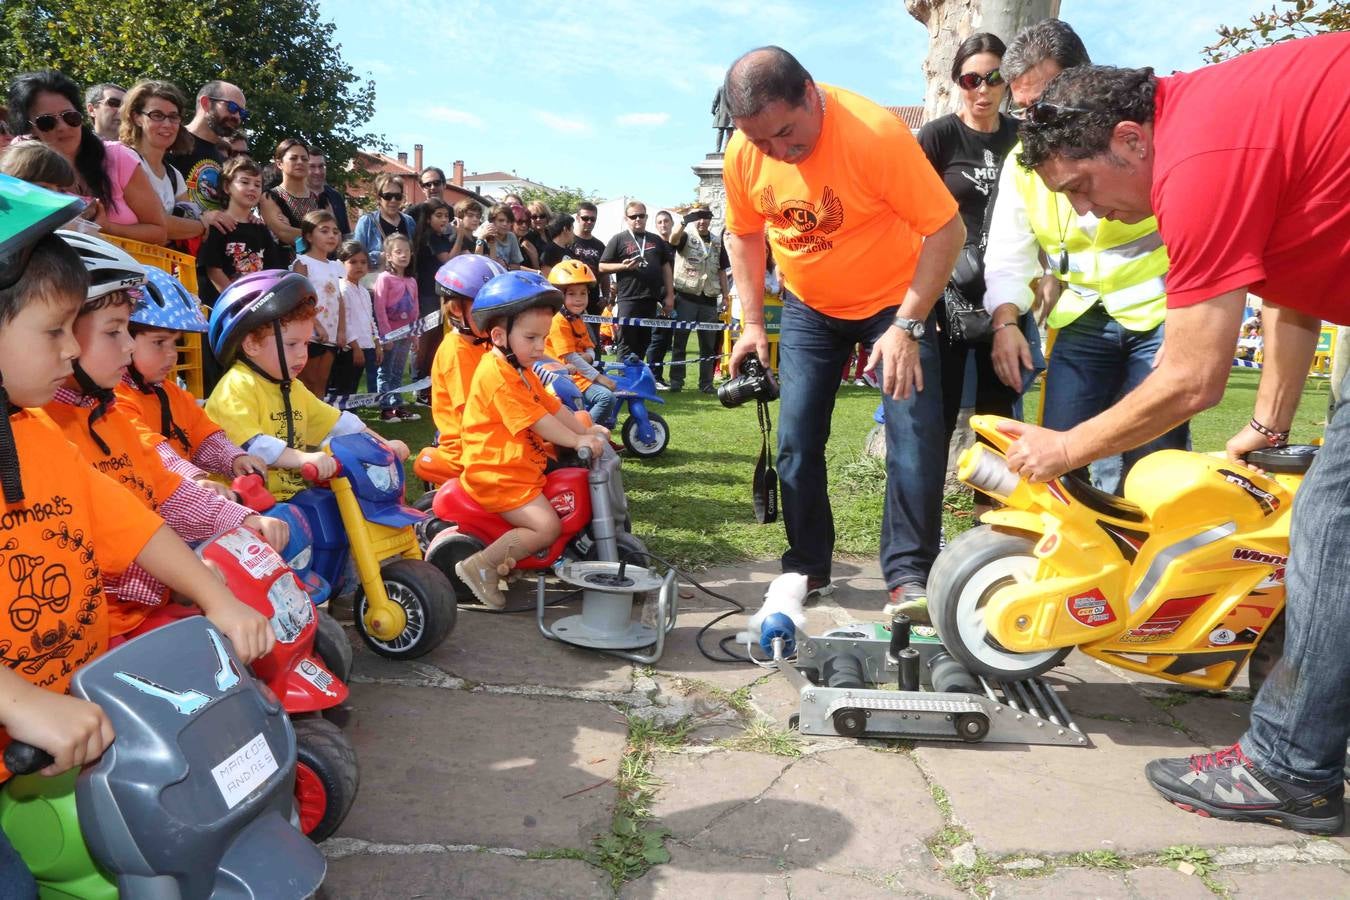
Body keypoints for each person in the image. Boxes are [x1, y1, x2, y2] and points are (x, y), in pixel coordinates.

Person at [1007, 33, 1350, 833]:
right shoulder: (1213, 119)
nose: (1089, 211)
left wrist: (1064, 447)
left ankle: (1290, 769)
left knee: (1333, 531)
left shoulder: (1198, 161)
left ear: (1130, 139)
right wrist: (1269, 422)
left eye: (1085, 188)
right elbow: (1293, 288)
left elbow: (1192, 375)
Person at [0, 186, 272, 883]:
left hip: (63, 727)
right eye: (55, 330)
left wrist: (217, 597)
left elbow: (138, 528)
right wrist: (21, 701)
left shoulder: (36, 436)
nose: (72, 350)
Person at [721, 46, 964, 610]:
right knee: (795, 441)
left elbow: (945, 230)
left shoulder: (874, 134)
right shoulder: (743, 151)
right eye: (763, 143)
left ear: (810, 92)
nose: (780, 152)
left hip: (894, 306)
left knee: (914, 439)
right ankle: (808, 565)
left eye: (788, 133)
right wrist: (752, 323)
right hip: (810, 307)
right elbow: (745, 234)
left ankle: (908, 576)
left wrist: (907, 323)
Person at [42, 231, 284, 643]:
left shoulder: (107, 412)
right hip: (95, 631)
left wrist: (241, 520)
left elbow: (165, 486)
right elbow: (85, 542)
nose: (127, 349)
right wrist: (184, 574)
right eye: (115, 333)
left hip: (144, 611)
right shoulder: (50, 426)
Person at [983, 19, 1184, 496]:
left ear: (1082, 82)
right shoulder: (1021, 164)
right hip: (1080, 319)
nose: (1033, 126)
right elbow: (1009, 251)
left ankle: (1149, 565)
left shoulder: (1135, 143)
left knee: (1151, 461)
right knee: (1054, 454)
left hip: (1161, 315)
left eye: (1044, 107)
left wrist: (1186, 318)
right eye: (1023, 110)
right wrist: (1006, 321)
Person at [916, 33, 1021, 527]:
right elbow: (913, 216)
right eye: (971, 79)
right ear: (957, 82)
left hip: (1006, 292)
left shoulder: (1021, 137)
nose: (983, 89)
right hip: (948, 293)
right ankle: (924, 529)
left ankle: (990, 524)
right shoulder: (937, 136)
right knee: (936, 418)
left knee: (999, 418)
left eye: (994, 77)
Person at [452, 272, 607, 608]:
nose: (540, 347)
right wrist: (577, 440)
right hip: (496, 473)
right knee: (546, 526)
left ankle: (520, 560)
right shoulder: (497, 376)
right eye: (532, 338)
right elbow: (541, 423)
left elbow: (552, 407)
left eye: (544, 338)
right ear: (499, 335)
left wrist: (586, 431)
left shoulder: (520, 369)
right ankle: (481, 566)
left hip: (518, 466)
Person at [205, 269, 410, 500]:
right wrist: (304, 458)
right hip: (244, 505)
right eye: (292, 344)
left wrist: (384, 446)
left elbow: (340, 423)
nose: (302, 355)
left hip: (293, 497)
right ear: (251, 344)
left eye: (305, 343)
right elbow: (253, 444)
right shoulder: (235, 388)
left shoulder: (293, 388)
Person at [116, 267, 267, 489]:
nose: (172, 354)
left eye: (175, 343)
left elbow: (204, 436)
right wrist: (196, 479)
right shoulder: (117, 399)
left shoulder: (172, 392)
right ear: (123, 339)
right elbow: (151, 450)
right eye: (159, 342)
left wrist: (234, 459)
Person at [8, 69, 167, 245]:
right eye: (47, 122)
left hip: (130, 268)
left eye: (70, 117)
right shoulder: (19, 171)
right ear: (30, 128)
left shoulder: (118, 157)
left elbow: (159, 232)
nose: (62, 127)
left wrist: (107, 228)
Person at [414, 254, 508, 486]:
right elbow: (473, 412)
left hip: (490, 436)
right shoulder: (456, 352)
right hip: (469, 447)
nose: (495, 317)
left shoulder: (487, 342)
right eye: (485, 308)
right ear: (457, 309)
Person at [118, 80, 211, 245]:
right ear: (136, 117)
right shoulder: (124, 158)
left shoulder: (174, 175)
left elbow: (189, 217)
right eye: (157, 115)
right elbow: (162, 225)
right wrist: (202, 226)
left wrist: (197, 223)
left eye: (173, 117)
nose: (167, 124)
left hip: (159, 266)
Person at [197, 155, 286, 307]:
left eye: (258, 184)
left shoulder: (261, 230)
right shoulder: (217, 225)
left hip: (256, 307)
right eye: (244, 182)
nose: (252, 188)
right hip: (224, 308)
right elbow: (213, 270)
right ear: (226, 187)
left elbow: (271, 272)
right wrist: (237, 301)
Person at [599, 200, 674, 363]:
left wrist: (670, 295)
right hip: (628, 299)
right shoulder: (618, 239)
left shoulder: (656, 240)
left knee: (643, 342)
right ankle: (623, 383)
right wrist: (623, 266)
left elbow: (666, 268)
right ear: (626, 219)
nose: (637, 219)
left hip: (650, 299)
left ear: (646, 217)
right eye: (633, 216)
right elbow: (602, 266)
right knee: (626, 343)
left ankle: (637, 383)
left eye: (641, 216)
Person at [546, 260, 618, 425]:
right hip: (562, 378)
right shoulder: (558, 321)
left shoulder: (578, 318)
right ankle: (582, 433)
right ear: (559, 295)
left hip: (578, 374)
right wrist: (599, 377)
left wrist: (589, 357)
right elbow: (571, 357)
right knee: (606, 398)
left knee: (611, 391)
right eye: (571, 294)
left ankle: (600, 433)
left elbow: (590, 348)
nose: (578, 299)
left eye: (583, 293)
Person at [668, 206, 729, 394]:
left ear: (711, 219)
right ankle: (677, 381)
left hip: (709, 298)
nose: (702, 221)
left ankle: (706, 383)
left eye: (706, 217)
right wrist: (683, 221)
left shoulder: (717, 242)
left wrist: (725, 296)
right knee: (680, 343)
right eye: (698, 218)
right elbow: (673, 240)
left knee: (708, 345)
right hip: (686, 296)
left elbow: (721, 271)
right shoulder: (686, 235)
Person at [167, 80, 248, 218]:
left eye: (242, 113)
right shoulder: (170, 140)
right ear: (206, 103)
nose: (237, 117)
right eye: (232, 107)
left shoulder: (225, 161)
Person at [291, 210, 347, 398]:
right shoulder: (302, 262)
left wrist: (341, 330)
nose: (331, 235)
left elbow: (339, 299)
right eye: (324, 231)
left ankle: (319, 424)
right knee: (307, 381)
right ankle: (303, 423)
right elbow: (301, 298)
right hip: (310, 333)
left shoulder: (335, 266)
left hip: (330, 335)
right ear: (309, 235)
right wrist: (318, 325)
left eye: (335, 231)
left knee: (322, 381)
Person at [371, 233, 420, 422]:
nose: (403, 255)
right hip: (390, 335)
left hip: (407, 334)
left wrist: (415, 334)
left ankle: (398, 406)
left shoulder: (412, 281)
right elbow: (379, 308)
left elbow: (415, 308)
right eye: (398, 251)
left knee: (399, 371)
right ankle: (385, 408)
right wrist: (386, 336)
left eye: (407, 251)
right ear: (389, 255)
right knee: (386, 371)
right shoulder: (384, 279)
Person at [260, 138, 330, 267]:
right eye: (293, 158)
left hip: (322, 270)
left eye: (304, 159)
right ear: (279, 163)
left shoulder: (321, 199)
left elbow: (334, 235)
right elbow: (284, 234)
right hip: (286, 272)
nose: (300, 162)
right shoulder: (270, 197)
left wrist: (302, 234)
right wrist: (322, 234)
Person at [412, 198, 456, 394]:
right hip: (427, 295)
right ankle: (418, 383)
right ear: (428, 218)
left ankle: (429, 384)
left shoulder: (442, 238)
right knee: (426, 340)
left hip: (439, 295)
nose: (444, 220)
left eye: (446, 216)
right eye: (439, 215)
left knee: (437, 341)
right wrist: (461, 234)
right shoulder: (430, 238)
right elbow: (448, 261)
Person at [330, 239, 381, 396]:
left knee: (353, 386)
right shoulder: (342, 289)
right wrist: (355, 348)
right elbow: (344, 322)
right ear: (341, 264)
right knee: (343, 387)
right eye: (353, 262)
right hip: (349, 349)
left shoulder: (365, 291)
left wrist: (377, 342)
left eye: (363, 262)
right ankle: (342, 417)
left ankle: (352, 416)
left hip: (366, 346)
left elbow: (370, 319)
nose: (359, 266)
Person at [644, 209, 679, 384]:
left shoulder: (677, 244)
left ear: (672, 223)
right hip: (659, 299)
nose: (663, 225)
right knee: (656, 339)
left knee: (666, 341)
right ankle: (653, 377)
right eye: (660, 222)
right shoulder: (653, 246)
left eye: (666, 221)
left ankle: (658, 376)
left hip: (674, 297)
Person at [353, 173, 415, 270]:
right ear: (378, 197)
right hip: (376, 282)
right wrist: (381, 257)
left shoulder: (409, 221)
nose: (393, 200)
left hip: (404, 281)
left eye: (397, 196)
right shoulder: (367, 222)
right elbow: (355, 256)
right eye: (388, 196)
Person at [570, 201, 610, 347]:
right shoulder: (569, 241)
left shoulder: (599, 245)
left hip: (593, 299)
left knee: (592, 341)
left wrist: (606, 296)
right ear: (577, 218)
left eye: (592, 219)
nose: (589, 222)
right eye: (585, 218)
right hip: (570, 297)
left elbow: (604, 273)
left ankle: (595, 368)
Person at [308, 153, 351, 236]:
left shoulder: (336, 196)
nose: (317, 172)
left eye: (321, 166)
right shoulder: (293, 197)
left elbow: (345, 232)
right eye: (312, 166)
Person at [475, 203, 524, 270]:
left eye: (508, 221)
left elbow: (516, 265)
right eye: (501, 220)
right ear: (492, 221)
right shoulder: (484, 233)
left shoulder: (511, 237)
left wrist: (507, 266)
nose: (505, 224)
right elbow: (476, 260)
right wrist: (481, 238)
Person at [538, 212, 576, 278]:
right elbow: (546, 277)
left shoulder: (570, 252)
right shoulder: (549, 251)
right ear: (565, 229)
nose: (574, 234)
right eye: (572, 228)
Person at [512, 204, 540, 269]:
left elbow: (536, 268)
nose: (524, 225)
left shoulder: (527, 244)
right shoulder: (504, 243)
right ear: (511, 222)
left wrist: (534, 258)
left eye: (527, 222)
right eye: (520, 221)